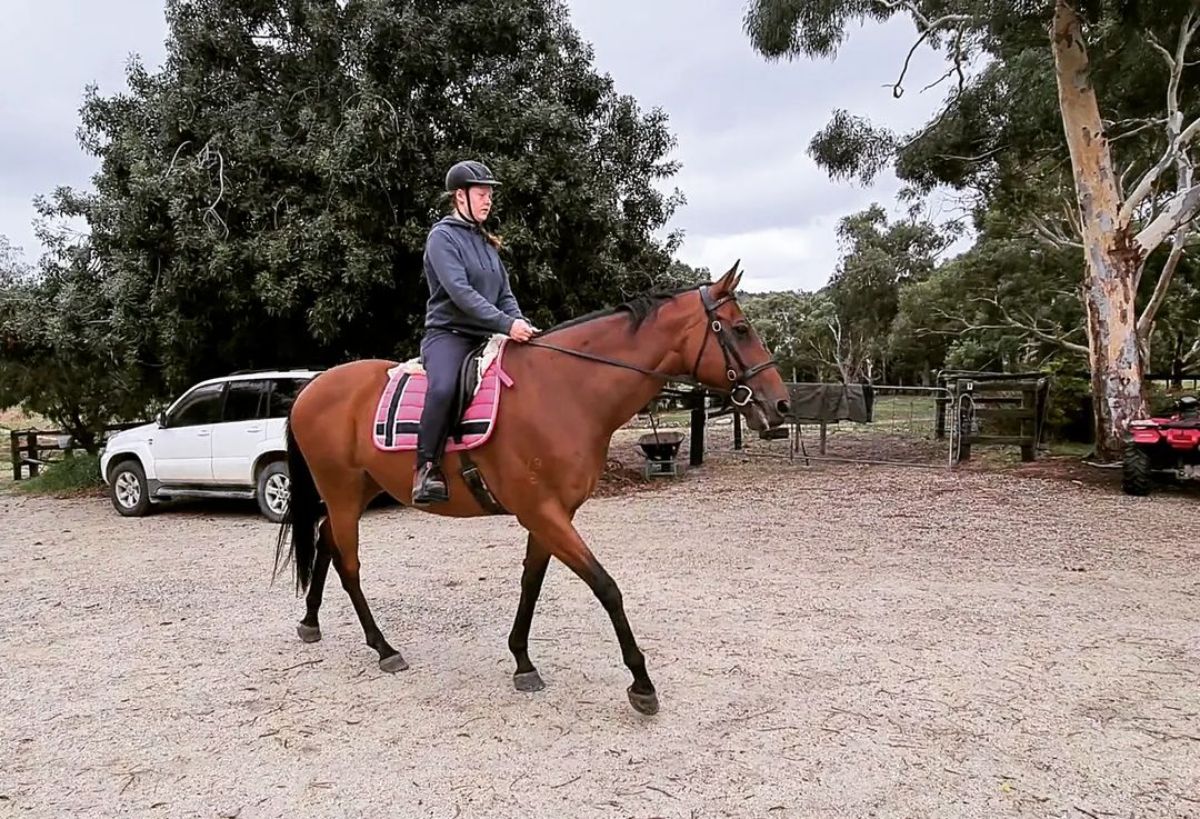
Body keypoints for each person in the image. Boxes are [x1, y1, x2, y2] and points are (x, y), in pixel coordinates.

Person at [412, 159, 539, 506]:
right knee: (444, 387)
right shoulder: (442, 237)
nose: (488, 200)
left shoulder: (486, 243)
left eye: (489, 196)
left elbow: (505, 295)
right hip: (449, 334)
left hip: (488, 335)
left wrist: (521, 324)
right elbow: (461, 293)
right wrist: (505, 324)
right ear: (460, 197)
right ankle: (425, 469)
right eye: (481, 194)